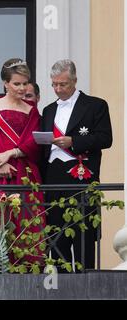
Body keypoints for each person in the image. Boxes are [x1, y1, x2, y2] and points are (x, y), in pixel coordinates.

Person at [41, 59, 112, 270]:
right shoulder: (48, 110)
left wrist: (74, 142)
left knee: (83, 236)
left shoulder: (95, 105)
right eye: (54, 84)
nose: (58, 89)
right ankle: (60, 285)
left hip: (81, 176)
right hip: (53, 177)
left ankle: (85, 285)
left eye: (63, 84)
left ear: (75, 80)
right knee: (57, 235)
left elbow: (105, 138)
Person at [0, 58, 45, 263]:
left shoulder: (32, 110)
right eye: (17, 83)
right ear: (5, 83)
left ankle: (26, 274)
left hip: (24, 174)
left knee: (26, 226)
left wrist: (11, 154)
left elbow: (33, 142)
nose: (22, 88)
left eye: (24, 83)